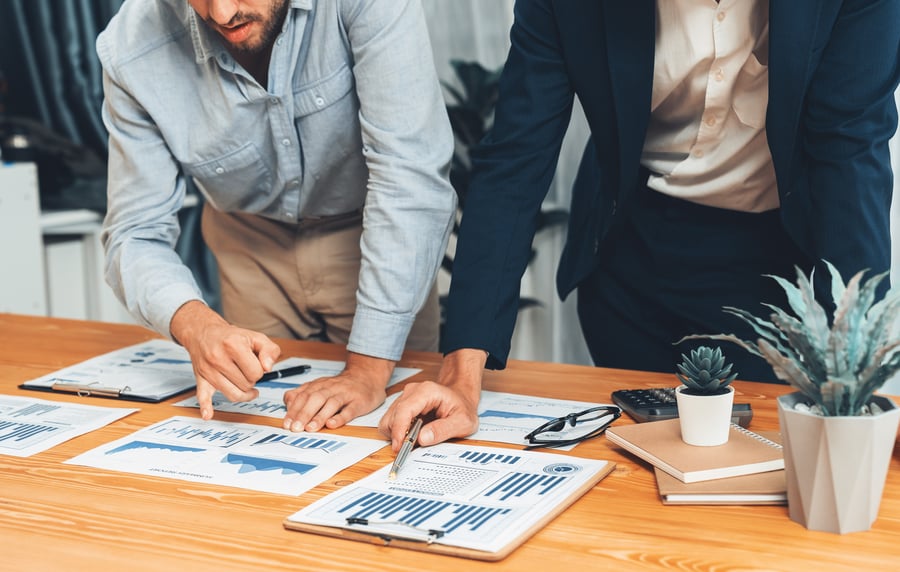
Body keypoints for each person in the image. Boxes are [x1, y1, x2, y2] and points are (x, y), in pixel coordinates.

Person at [380, 0, 900, 449]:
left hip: (777, 273)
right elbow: (516, 159)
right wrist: (461, 377)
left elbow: (850, 155)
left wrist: (859, 378)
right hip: (631, 262)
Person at [97, 0, 456, 431]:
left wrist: (367, 371)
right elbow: (134, 231)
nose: (223, 12)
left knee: (392, 432)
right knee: (265, 431)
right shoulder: (130, 48)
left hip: (374, 241)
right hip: (248, 250)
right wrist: (197, 326)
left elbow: (409, 176)